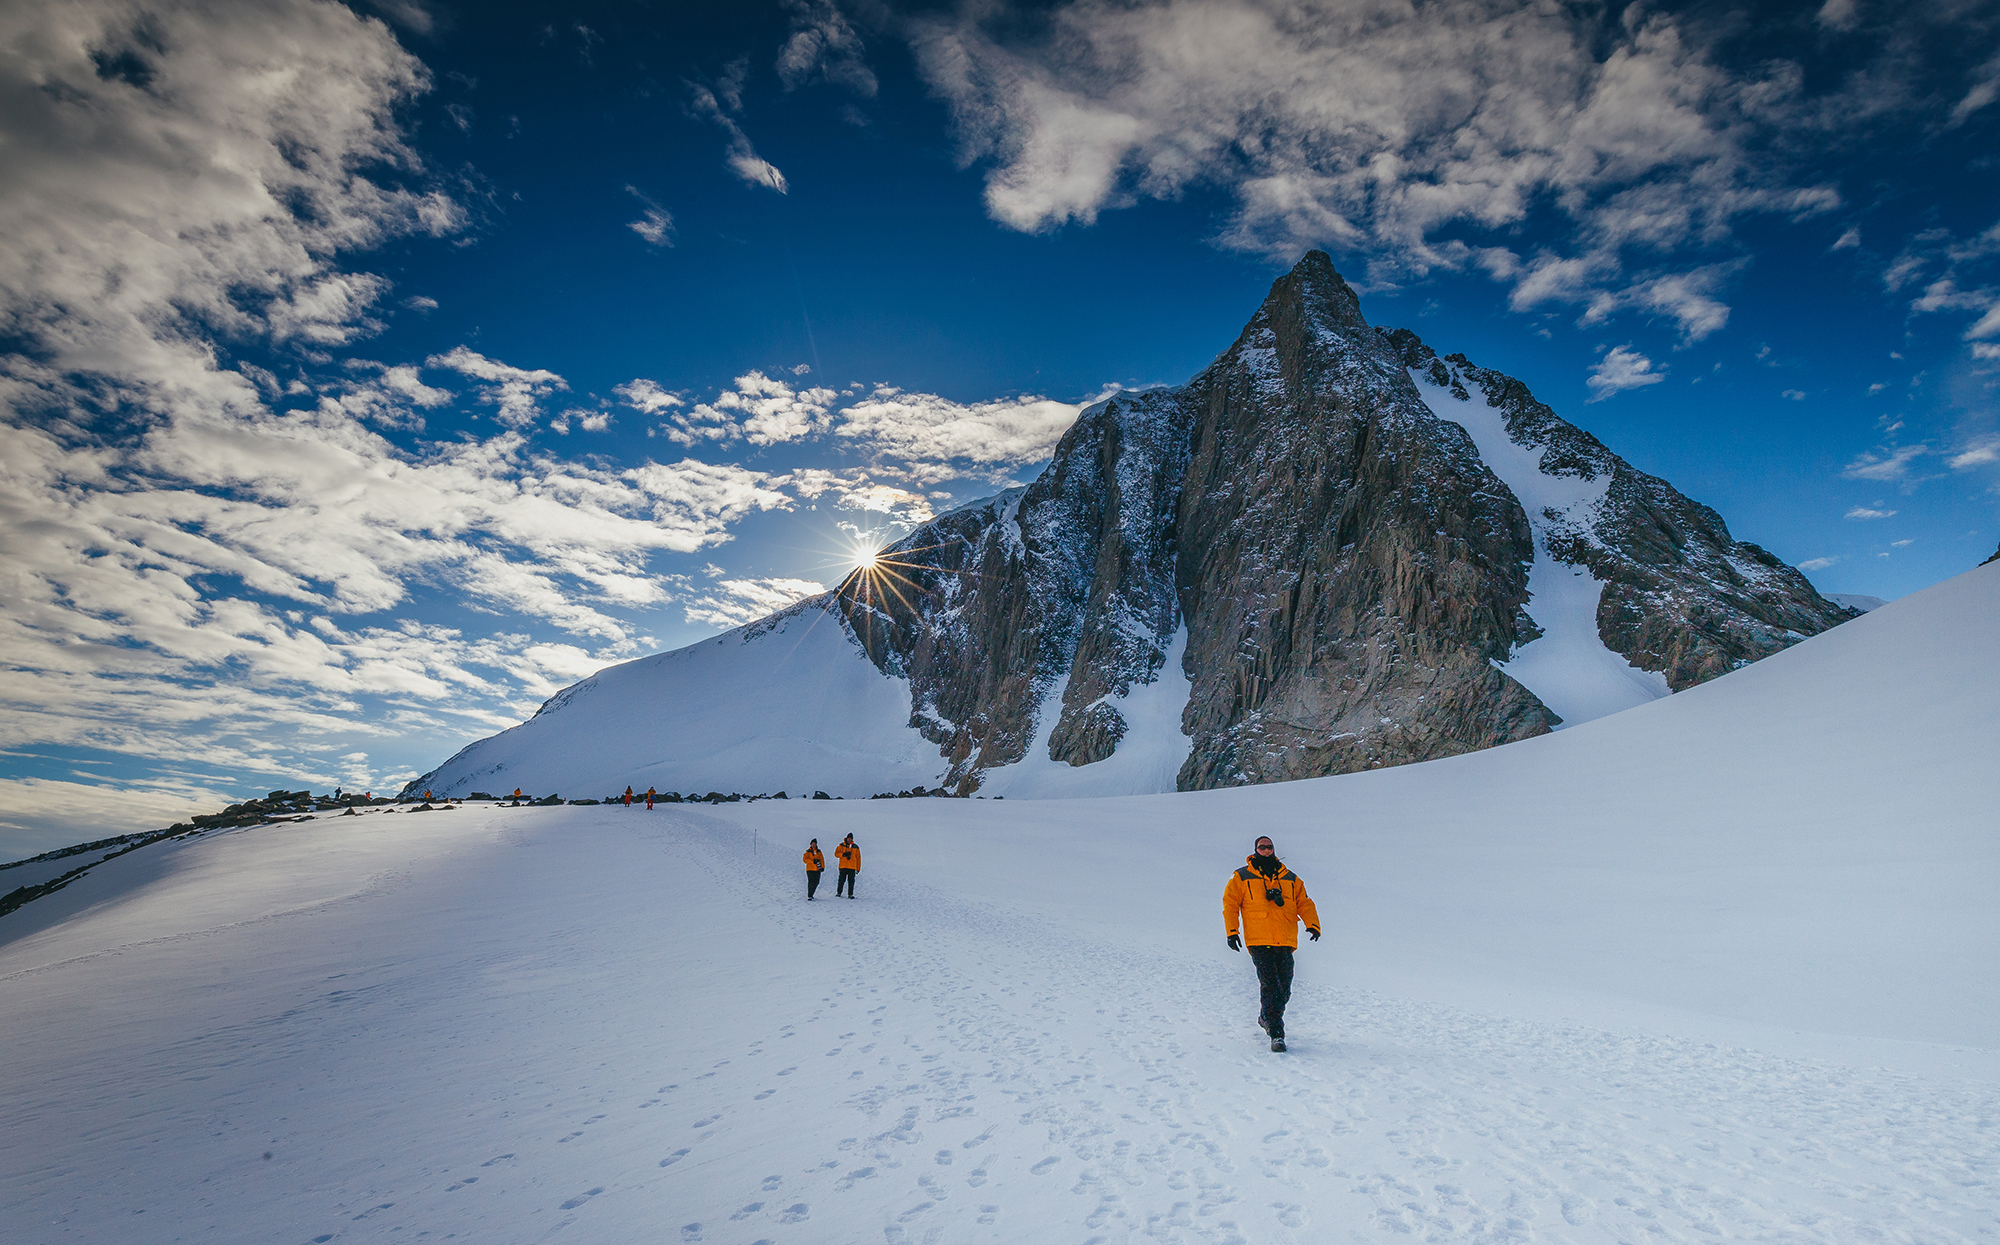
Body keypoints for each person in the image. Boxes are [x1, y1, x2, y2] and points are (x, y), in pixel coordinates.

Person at [1223, 835, 1321, 1052]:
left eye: (1269, 847)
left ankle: (1266, 1017)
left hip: (1285, 939)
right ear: (1255, 849)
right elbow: (1230, 904)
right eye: (1262, 847)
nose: (1266, 850)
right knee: (1270, 984)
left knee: (1285, 986)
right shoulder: (1241, 876)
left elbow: (1304, 902)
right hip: (1258, 940)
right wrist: (1232, 931)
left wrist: (1313, 924)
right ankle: (1277, 1034)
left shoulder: (1290, 878)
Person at [834, 833, 860, 898]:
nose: (850, 840)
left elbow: (858, 858)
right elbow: (836, 854)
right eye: (849, 839)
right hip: (843, 866)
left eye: (851, 839)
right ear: (846, 838)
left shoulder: (856, 847)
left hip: (852, 867)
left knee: (851, 881)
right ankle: (839, 893)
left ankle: (850, 894)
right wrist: (843, 855)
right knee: (841, 880)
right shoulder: (841, 845)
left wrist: (858, 868)